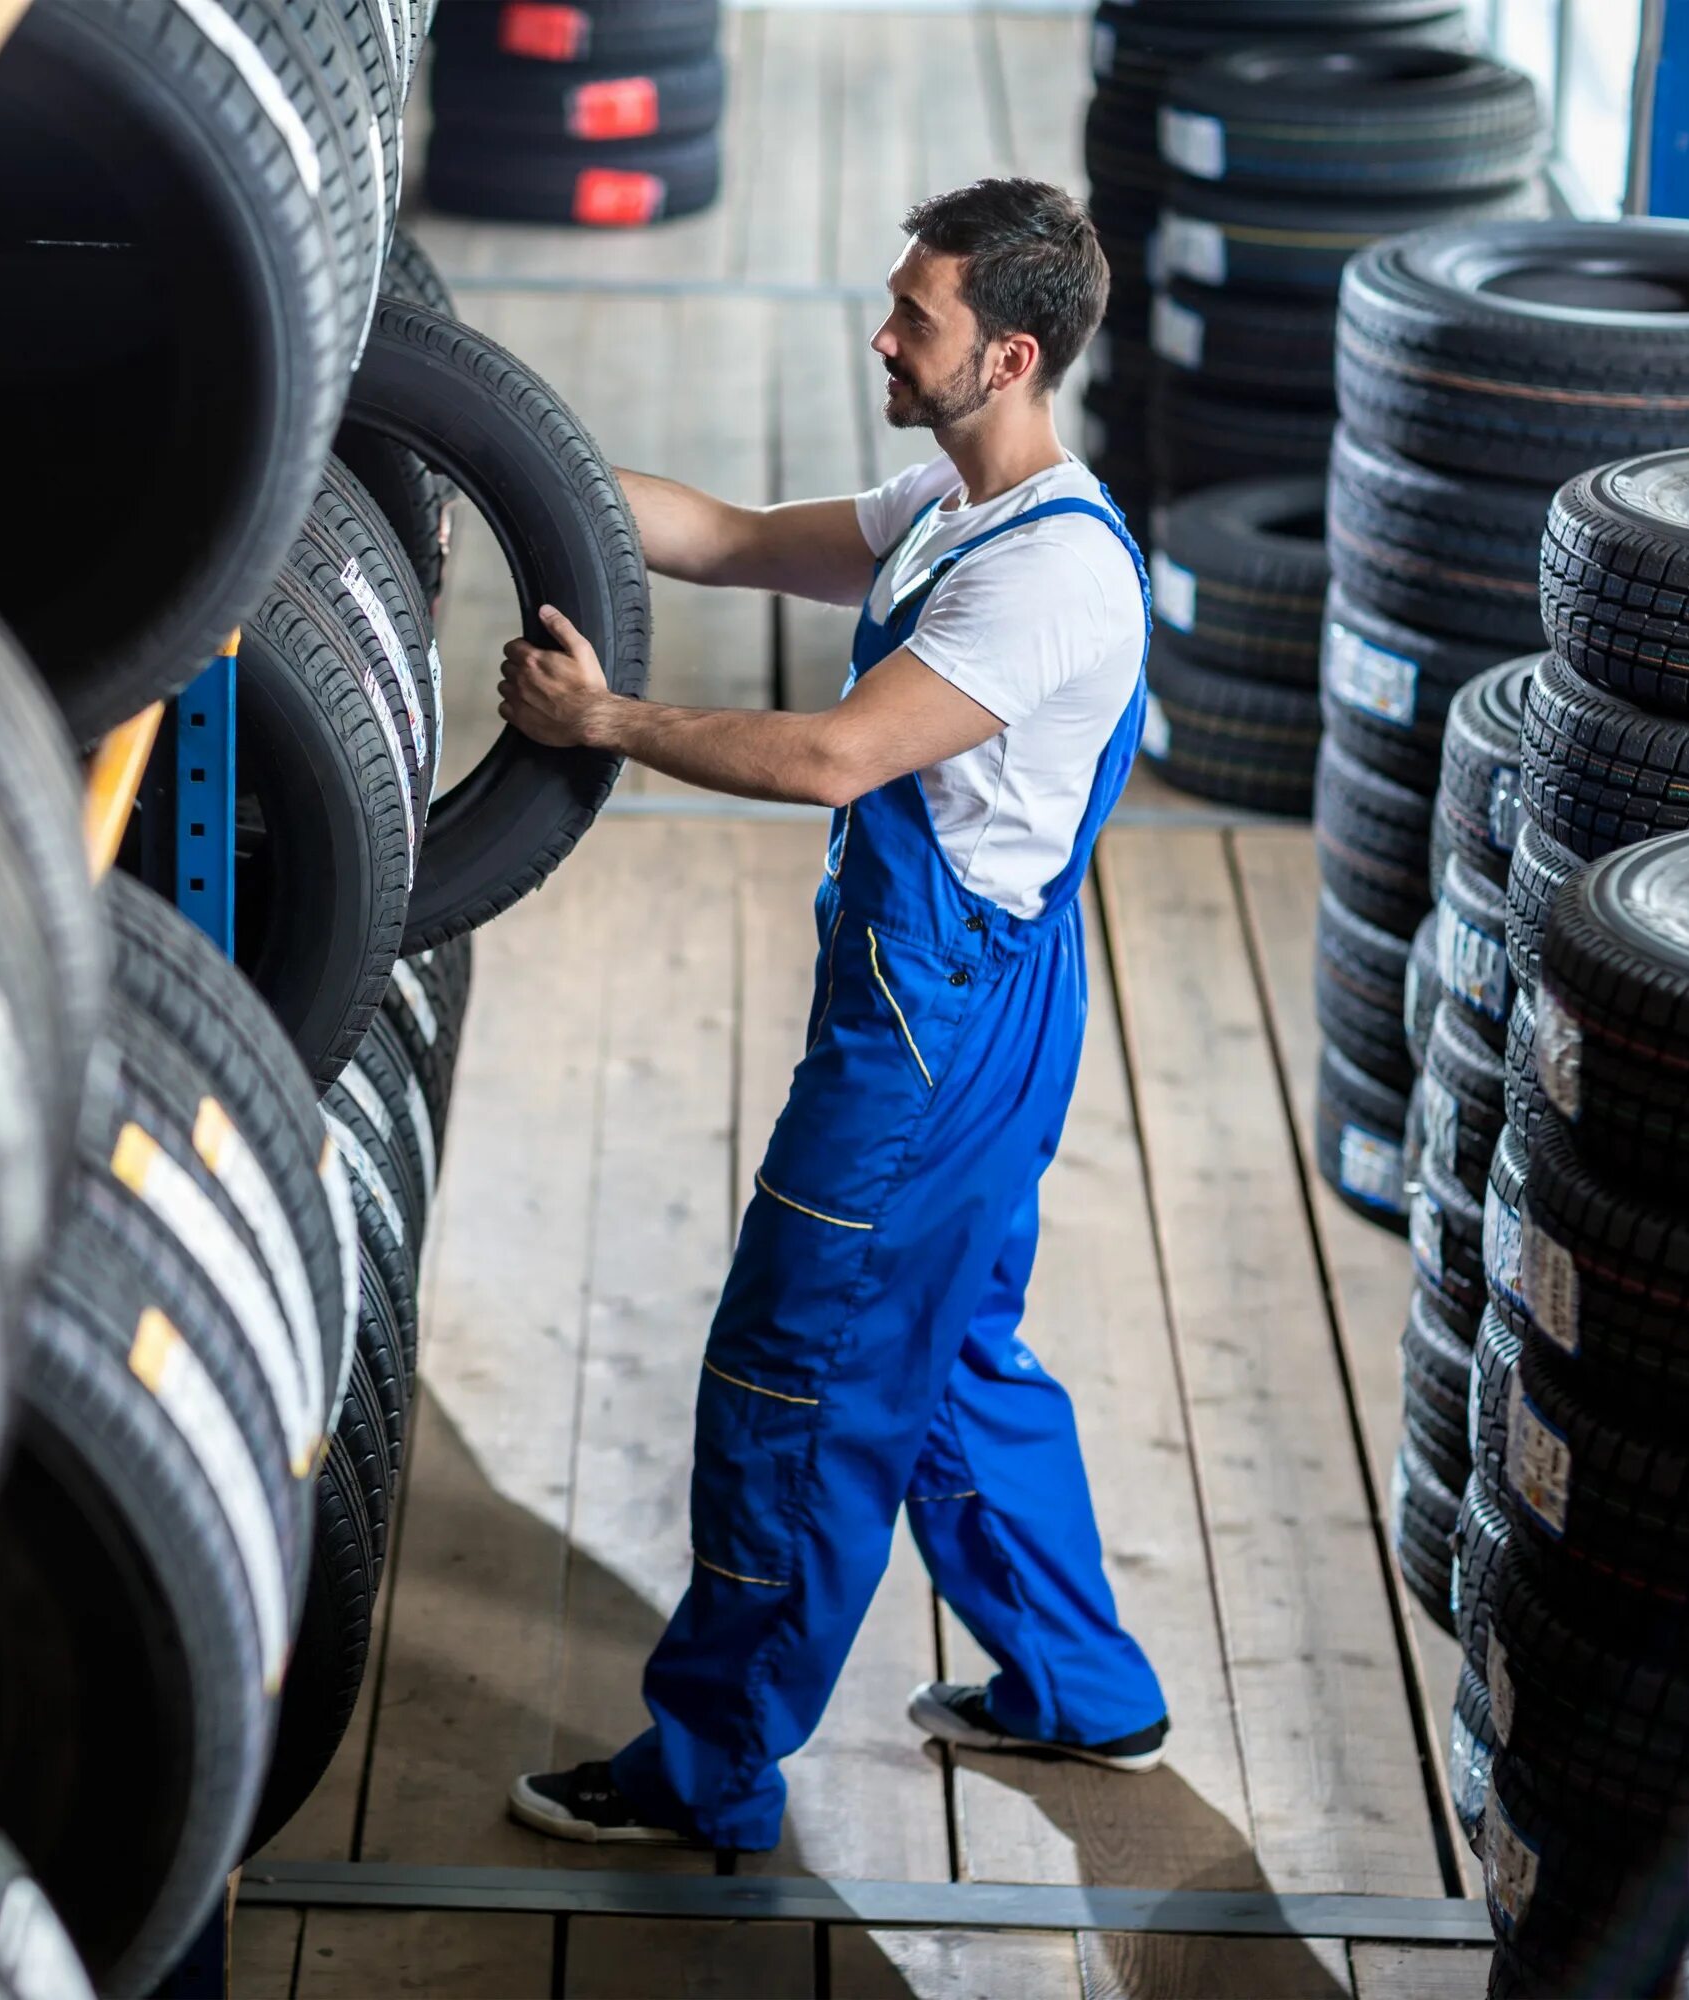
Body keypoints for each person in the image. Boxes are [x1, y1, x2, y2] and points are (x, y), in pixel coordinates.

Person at [496, 177, 1170, 1853]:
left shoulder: (1052, 579)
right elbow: (717, 534)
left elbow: (830, 757)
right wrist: (498, 468)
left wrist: (607, 722)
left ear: (1009, 355)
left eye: (916, 317)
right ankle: (1086, 1692)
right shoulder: (954, 503)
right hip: (979, 999)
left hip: (934, 1032)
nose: (883, 332)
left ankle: (708, 1767)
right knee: (945, 1355)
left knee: (795, 1376)